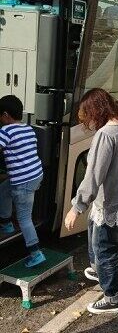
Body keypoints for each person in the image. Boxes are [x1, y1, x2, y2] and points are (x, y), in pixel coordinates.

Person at [64, 88, 118, 314]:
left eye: (89, 117)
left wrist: (76, 207)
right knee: (96, 231)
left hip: (114, 201)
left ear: (96, 112)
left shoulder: (105, 135)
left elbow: (93, 175)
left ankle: (113, 297)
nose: (89, 124)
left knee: (104, 247)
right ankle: (99, 269)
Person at [0, 95, 45, 267]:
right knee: (4, 189)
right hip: (35, 175)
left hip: (23, 181)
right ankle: (6, 224)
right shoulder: (27, 128)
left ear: (5, 115)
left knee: (25, 218)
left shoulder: (6, 131)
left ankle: (36, 253)